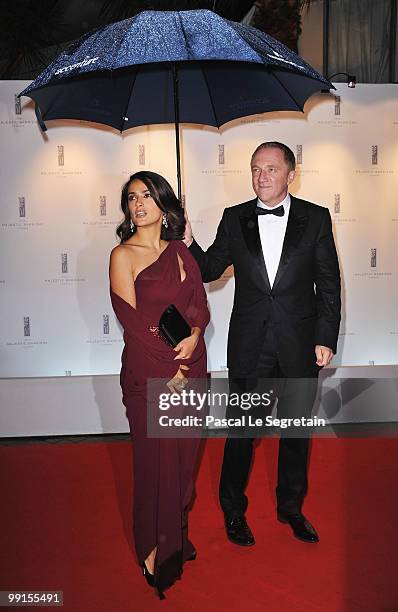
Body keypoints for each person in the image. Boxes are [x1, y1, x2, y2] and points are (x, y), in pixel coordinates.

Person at [184, 141, 341, 546]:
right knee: (241, 434)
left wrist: (326, 337)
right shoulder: (235, 218)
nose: (261, 177)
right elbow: (211, 269)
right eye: (255, 169)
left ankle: (291, 509)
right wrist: (187, 241)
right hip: (251, 345)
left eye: (271, 169)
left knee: (295, 433)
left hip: (300, 344)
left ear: (291, 174)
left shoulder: (316, 218)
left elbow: (328, 282)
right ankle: (233, 510)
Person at [109, 171, 209, 599]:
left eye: (147, 196)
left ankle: (176, 536)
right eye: (132, 198)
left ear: (164, 204)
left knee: (184, 466)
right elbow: (132, 322)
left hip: (191, 370)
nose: (138, 204)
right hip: (151, 377)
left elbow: (198, 306)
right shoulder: (122, 255)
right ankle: (153, 548)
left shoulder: (180, 252)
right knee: (155, 467)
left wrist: (196, 335)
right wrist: (169, 369)